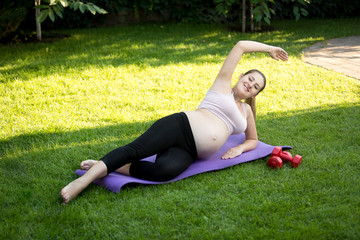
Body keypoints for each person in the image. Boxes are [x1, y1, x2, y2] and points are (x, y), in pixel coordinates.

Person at [61, 40, 288, 205]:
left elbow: (253, 140)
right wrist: (269, 49)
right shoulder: (222, 84)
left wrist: (239, 147)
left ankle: (106, 165)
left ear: (255, 94)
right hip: (180, 126)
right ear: (240, 76)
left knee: (163, 172)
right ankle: (83, 182)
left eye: (256, 86)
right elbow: (240, 46)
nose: (251, 85)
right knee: (136, 150)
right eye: (250, 79)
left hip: (190, 151)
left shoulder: (246, 110)